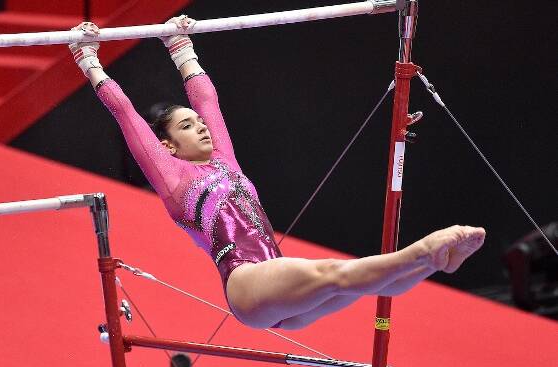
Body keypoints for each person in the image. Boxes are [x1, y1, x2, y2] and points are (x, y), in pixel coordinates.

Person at [68, 17, 486, 330]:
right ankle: (424, 251)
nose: (201, 125)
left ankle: (433, 264)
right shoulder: (174, 178)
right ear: (168, 146)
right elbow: (125, 115)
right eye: (186, 125)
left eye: (198, 121)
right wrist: (87, 58)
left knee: (357, 285)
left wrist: (181, 46)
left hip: (278, 292)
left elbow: (207, 100)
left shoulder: (224, 161)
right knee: (339, 273)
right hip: (248, 283)